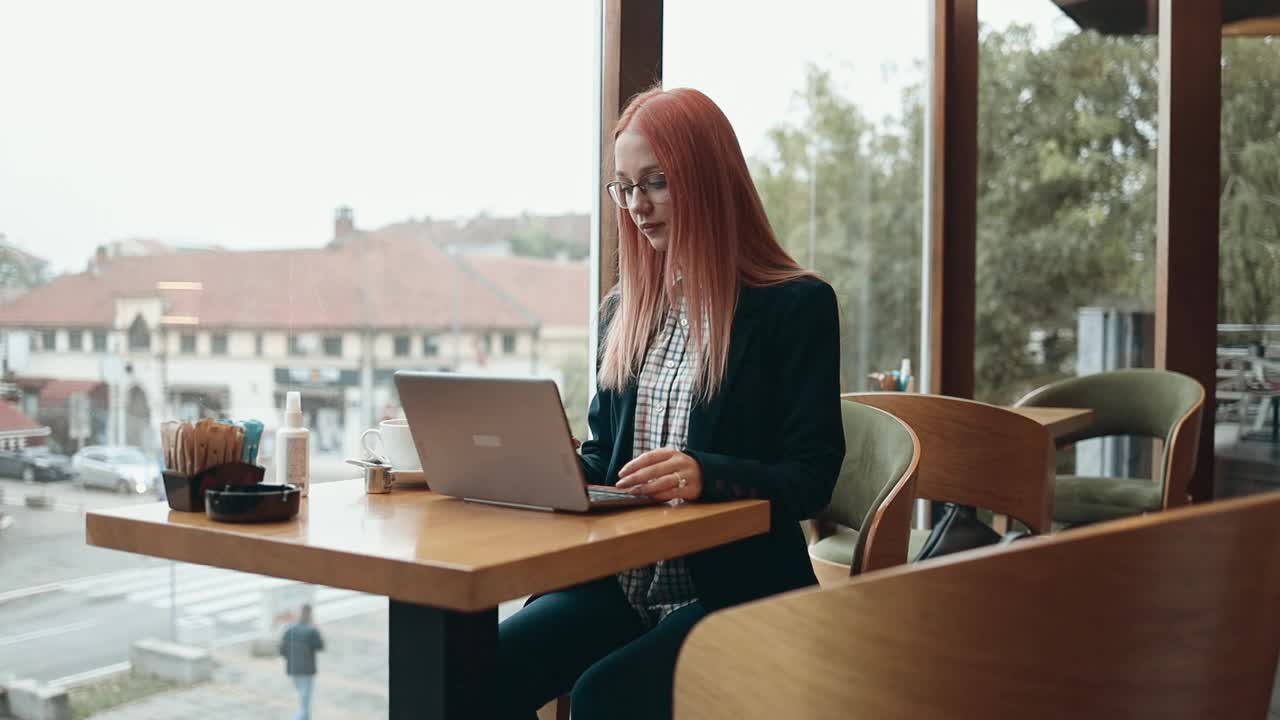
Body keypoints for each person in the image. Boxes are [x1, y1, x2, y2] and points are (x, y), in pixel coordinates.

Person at [496, 86, 846, 720]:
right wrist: (554, 468)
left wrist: (706, 473)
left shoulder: (795, 307)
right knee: (476, 671)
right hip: (626, 584)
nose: (636, 206)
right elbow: (608, 456)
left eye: (655, 183)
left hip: (743, 592)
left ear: (709, 181)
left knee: (608, 697)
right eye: (624, 187)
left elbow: (812, 478)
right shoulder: (621, 315)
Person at [279, 603, 325, 720]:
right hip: (307, 670)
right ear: (309, 615)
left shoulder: (289, 630)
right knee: (304, 701)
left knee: (302, 699)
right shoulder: (312, 631)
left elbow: (282, 650)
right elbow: (320, 646)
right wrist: (316, 627)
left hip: (293, 669)